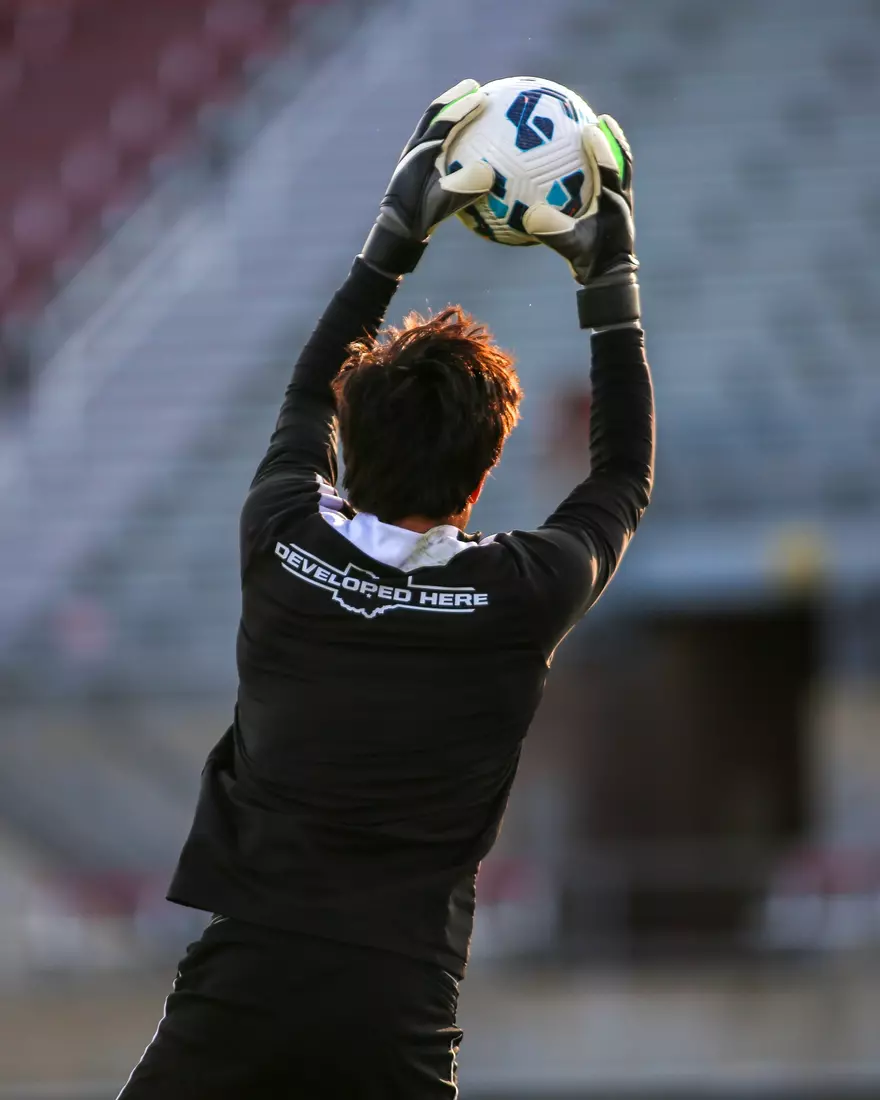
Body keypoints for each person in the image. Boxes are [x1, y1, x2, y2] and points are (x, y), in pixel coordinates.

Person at [117, 78, 654, 1099]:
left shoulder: (281, 542)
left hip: (241, 992)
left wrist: (390, 242)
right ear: (483, 474)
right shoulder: (518, 593)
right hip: (398, 1008)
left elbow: (302, 394)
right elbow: (620, 477)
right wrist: (608, 283)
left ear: (347, 449)